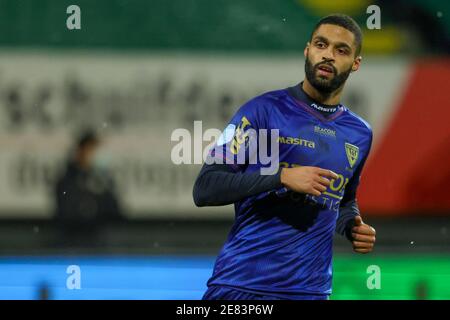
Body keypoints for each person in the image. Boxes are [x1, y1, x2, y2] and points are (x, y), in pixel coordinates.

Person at [193, 14, 376, 300]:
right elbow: (206, 187)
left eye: (341, 50)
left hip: (311, 292)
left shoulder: (360, 133)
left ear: (355, 63)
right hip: (242, 287)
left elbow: (345, 200)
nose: (328, 55)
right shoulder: (262, 111)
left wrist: (352, 226)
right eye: (321, 44)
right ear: (307, 50)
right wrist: (281, 177)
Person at [54, 130, 122, 246]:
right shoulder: (67, 181)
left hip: (103, 245)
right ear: (81, 152)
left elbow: (116, 211)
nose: (95, 155)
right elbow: (69, 214)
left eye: (97, 151)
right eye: (91, 150)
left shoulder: (104, 180)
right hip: (72, 245)